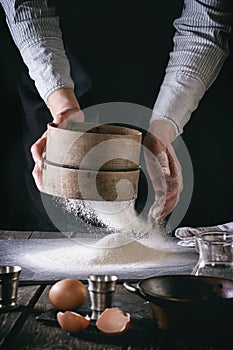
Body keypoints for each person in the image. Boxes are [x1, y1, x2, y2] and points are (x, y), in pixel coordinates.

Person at [1, 0, 232, 228]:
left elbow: (205, 23)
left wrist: (163, 128)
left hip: (165, 83)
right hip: (56, 77)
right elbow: (25, 5)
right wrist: (63, 107)